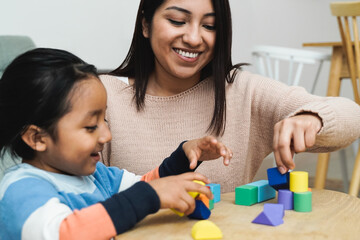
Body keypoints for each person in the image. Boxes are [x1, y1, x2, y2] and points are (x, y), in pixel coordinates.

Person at [100, 0, 360, 193]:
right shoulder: (104, 97)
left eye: (210, 26)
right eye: (177, 21)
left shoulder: (241, 91)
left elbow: (352, 115)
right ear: (145, 24)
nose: (193, 38)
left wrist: (312, 118)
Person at [0, 48, 233, 240]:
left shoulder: (96, 176)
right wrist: (147, 196)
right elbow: (64, 233)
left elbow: (144, 186)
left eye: (105, 120)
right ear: (38, 138)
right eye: (91, 126)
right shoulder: (20, 189)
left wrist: (183, 157)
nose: (106, 136)